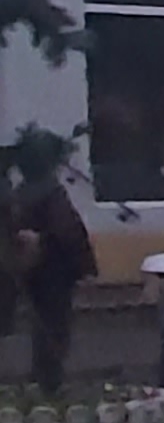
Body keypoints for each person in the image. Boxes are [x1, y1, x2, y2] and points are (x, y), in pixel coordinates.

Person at [6, 134, 90, 392]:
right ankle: (49, 385)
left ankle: (44, 381)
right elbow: (67, 233)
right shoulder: (50, 194)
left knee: (44, 328)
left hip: (37, 272)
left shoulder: (22, 194)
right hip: (53, 273)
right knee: (53, 330)